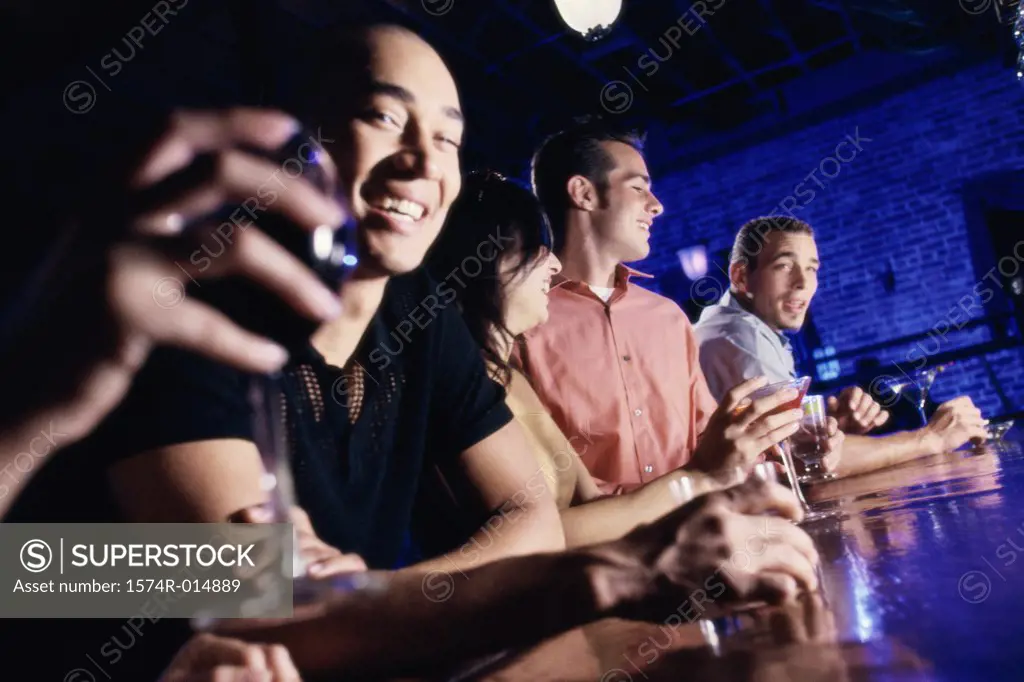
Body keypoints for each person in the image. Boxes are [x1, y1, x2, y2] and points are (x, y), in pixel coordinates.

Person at [426, 171, 812, 546]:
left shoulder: (510, 379)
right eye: (535, 249)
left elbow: (593, 506)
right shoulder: (460, 387)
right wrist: (700, 479)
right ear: (486, 262)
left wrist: (720, 484)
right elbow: (547, 537)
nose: (554, 264)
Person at [518, 118, 813, 493]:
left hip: (705, 533)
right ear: (584, 194)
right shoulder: (524, 322)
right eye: (639, 188)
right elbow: (538, 488)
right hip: (597, 547)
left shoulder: (669, 318)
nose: (656, 206)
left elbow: (709, 442)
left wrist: (779, 452)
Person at [694, 216, 989, 476]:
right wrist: (931, 439)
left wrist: (836, 427)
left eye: (811, 269)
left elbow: (795, 448)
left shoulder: (743, 327)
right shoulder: (740, 337)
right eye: (784, 266)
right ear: (741, 276)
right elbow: (799, 461)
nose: (803, 283)